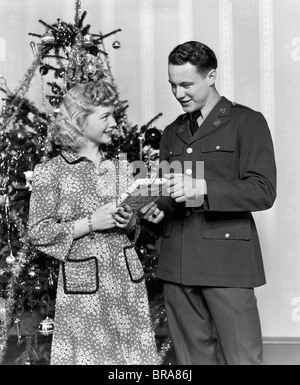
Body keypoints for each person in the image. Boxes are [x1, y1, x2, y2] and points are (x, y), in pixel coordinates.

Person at [142, 41, 277, 365]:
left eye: (187, 84)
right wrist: (154, 208)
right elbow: (169, 193)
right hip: (177, 264)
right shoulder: (172, 132)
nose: (178, 93)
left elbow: (262, 190)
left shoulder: (247, 122)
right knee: (192, 362)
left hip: (227, 264)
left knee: (242, 359)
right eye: (173, 85)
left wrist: (201, 188)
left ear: (211, 75)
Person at [28, 81, 160, 365]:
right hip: (83, 291)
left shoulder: (123, 169)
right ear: (79, 121)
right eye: (105, 117)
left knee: (132, 360)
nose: (114, 123)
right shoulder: (50, 172)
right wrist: (91, 222)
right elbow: (38, 233)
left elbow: (136, 231)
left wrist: (128, 223)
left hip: (126, 283)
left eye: (113, 116)